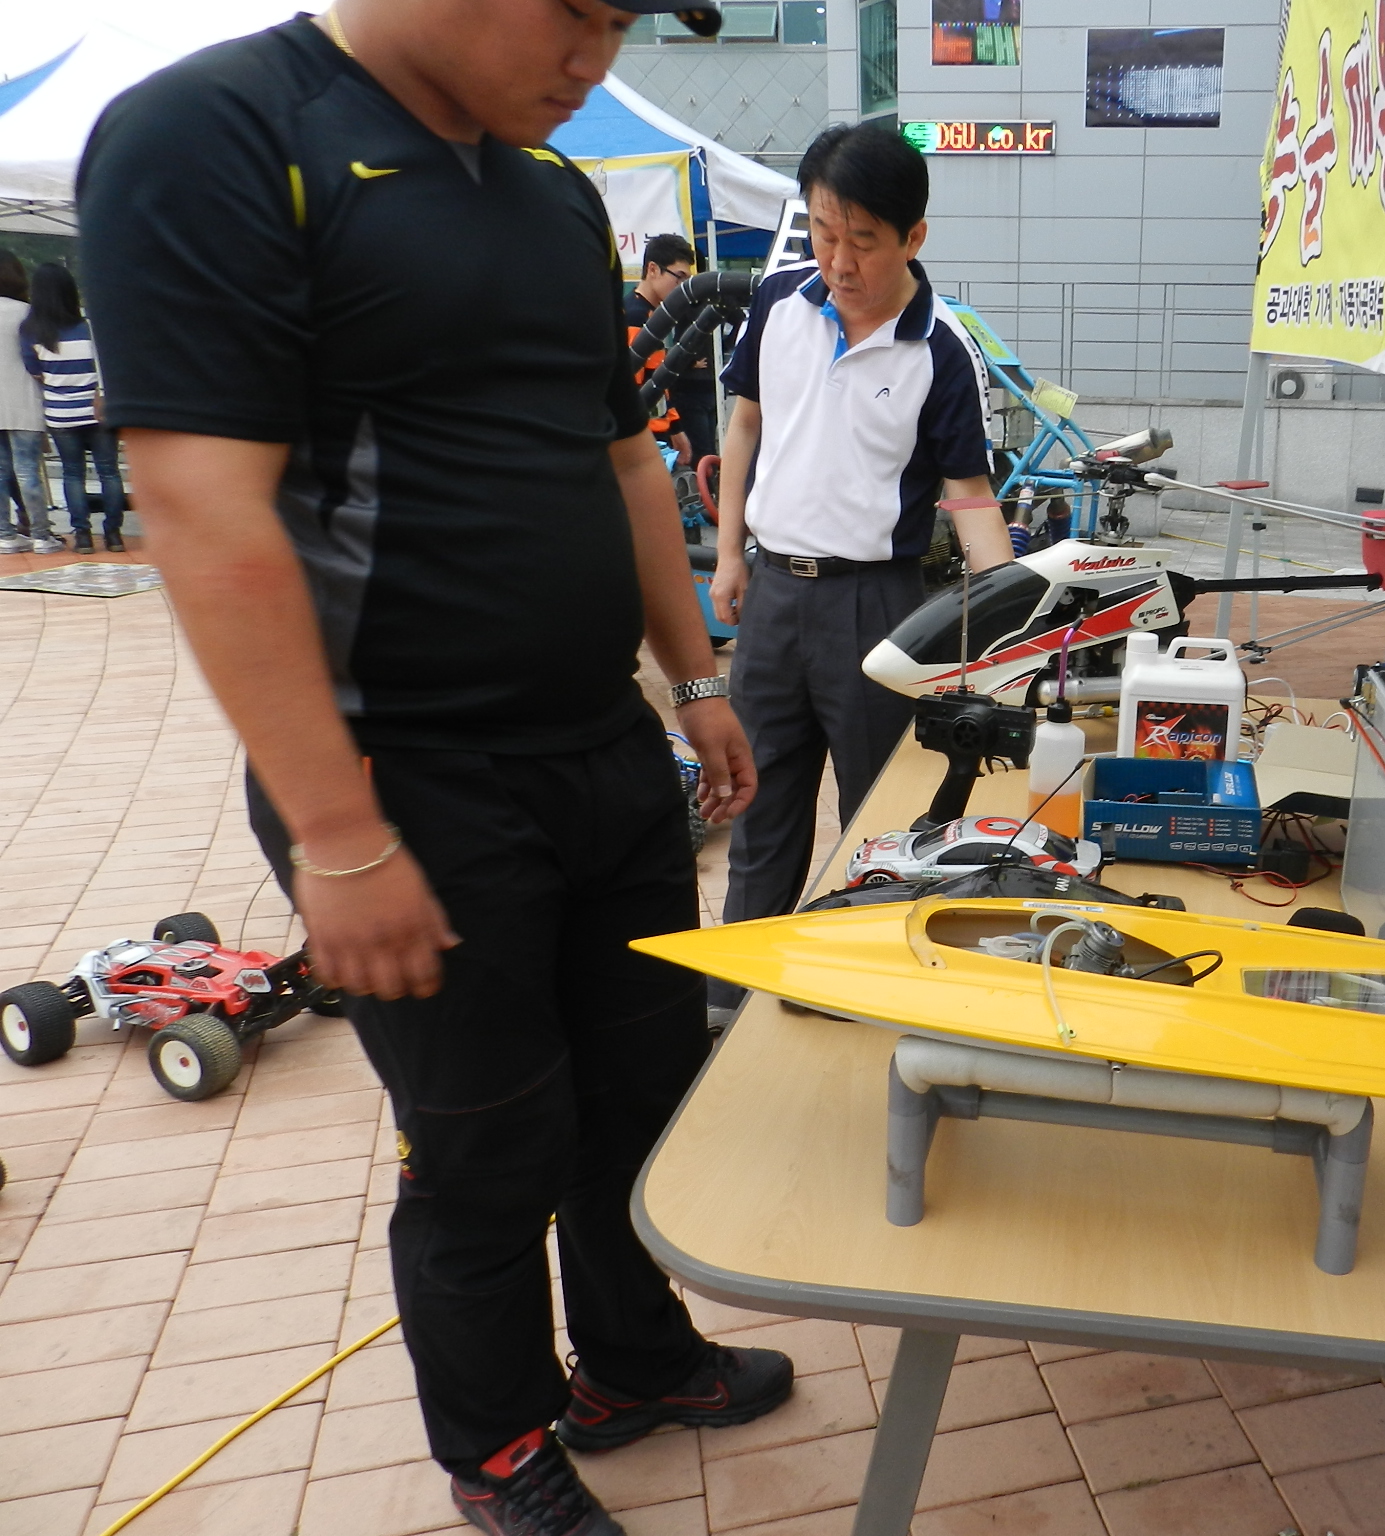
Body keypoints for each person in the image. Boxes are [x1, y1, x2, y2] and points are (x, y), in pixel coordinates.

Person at [78, 5, 789, 1534]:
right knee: (488, 1140)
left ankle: (633, 1362)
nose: (596, 56)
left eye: (621, 21)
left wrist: (697, 681)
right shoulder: (223, 134)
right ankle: (500, 1446)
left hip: (600, 746)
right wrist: (337, 833)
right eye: (574, 9)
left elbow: (622, 459)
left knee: (640, 1092)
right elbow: (200, 504)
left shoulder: (554, 193)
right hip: (407, 777)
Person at [707, 121, 1011, 1019]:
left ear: (914, 237)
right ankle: (737, 995)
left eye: (863, 240)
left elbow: (968, 494)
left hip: (875, 607)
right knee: (761, 809)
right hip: (772, 594)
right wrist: (727, 553)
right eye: (823, 232)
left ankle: (855, 986)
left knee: (876, 819)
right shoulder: (779, 302)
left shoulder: (941, 348)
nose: (838, 261)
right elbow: (746, 425)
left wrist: (1011, 631)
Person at [21, 262, 128, 552]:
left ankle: (82, 536)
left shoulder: (31, 331)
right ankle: (114, 535)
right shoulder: (89, 328)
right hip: (98, 410)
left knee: (72, 473)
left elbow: (36, 372)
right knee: (108, 472)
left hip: (60, 414)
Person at [622, 233, 718, 467]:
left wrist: (675, 427)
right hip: (643, 437)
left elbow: (658, 380)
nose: (683, 287)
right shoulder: (635, 316)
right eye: (679, 277)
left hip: (656, 432)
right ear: (653, 270)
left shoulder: (652, 314)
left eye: (688, 280)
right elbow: (632, 387)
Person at [0, 251, 61, 554]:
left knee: (0, 473)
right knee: (27, 471)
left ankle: (5, 535)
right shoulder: (29, 313)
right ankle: (41, 535)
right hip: (25, 401)